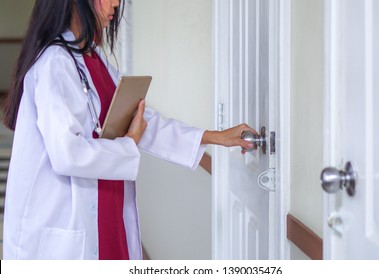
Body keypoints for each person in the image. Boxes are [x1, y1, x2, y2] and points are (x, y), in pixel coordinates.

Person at [2, 0, 256, 260]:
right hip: (65, 223)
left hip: (106, 211)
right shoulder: (54, 63)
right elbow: (68, 153)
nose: (116, 3)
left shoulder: (92, 58)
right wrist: (128, 144)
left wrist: (215, 137)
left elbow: (140, 120)